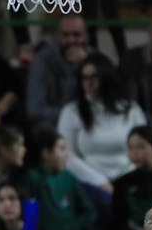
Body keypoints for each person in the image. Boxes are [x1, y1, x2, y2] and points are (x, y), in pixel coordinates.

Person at [57, 53, 144, 193]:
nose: (88, 83)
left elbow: (144, 149)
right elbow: (67, 156)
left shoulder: (131, 110)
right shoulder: (71, 112)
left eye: (94, 77)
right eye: (84, 78)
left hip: (130, 180)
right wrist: (100, 182)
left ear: (106, 77)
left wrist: (125, 180)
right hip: (90, 183)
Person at [26, 15, 88, 130]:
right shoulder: (42, 60)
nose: (71, 40)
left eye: (76, 35)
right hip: (54, 124)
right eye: (66, 35)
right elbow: (35, 109)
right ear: (58, 36)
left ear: (86, 36)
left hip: (88, 124)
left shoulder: (93, 59)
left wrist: (85, 65)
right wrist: (73, 117)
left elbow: (106, 102)